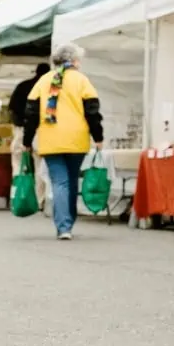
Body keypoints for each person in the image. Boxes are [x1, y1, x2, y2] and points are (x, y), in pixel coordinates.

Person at [23, 44, 103, 240]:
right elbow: (92, 112)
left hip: (50, 139)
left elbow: (31, 113)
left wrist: (27, 140)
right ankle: (69, 221)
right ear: (74, 61)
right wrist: (98, 136)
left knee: (59, 181)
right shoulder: (82, 81)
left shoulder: (43, 81)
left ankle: (63, 226)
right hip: (77, 139)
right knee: (72, 180)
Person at [9, 62, 49, 205]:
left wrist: (19, 125)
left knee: (19, 163)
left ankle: (18, 196)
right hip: (42, 130)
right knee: (40, 165)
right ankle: (40, 199)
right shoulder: (49, 88)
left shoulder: (23, 86)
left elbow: (12, 109)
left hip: (21, 129)